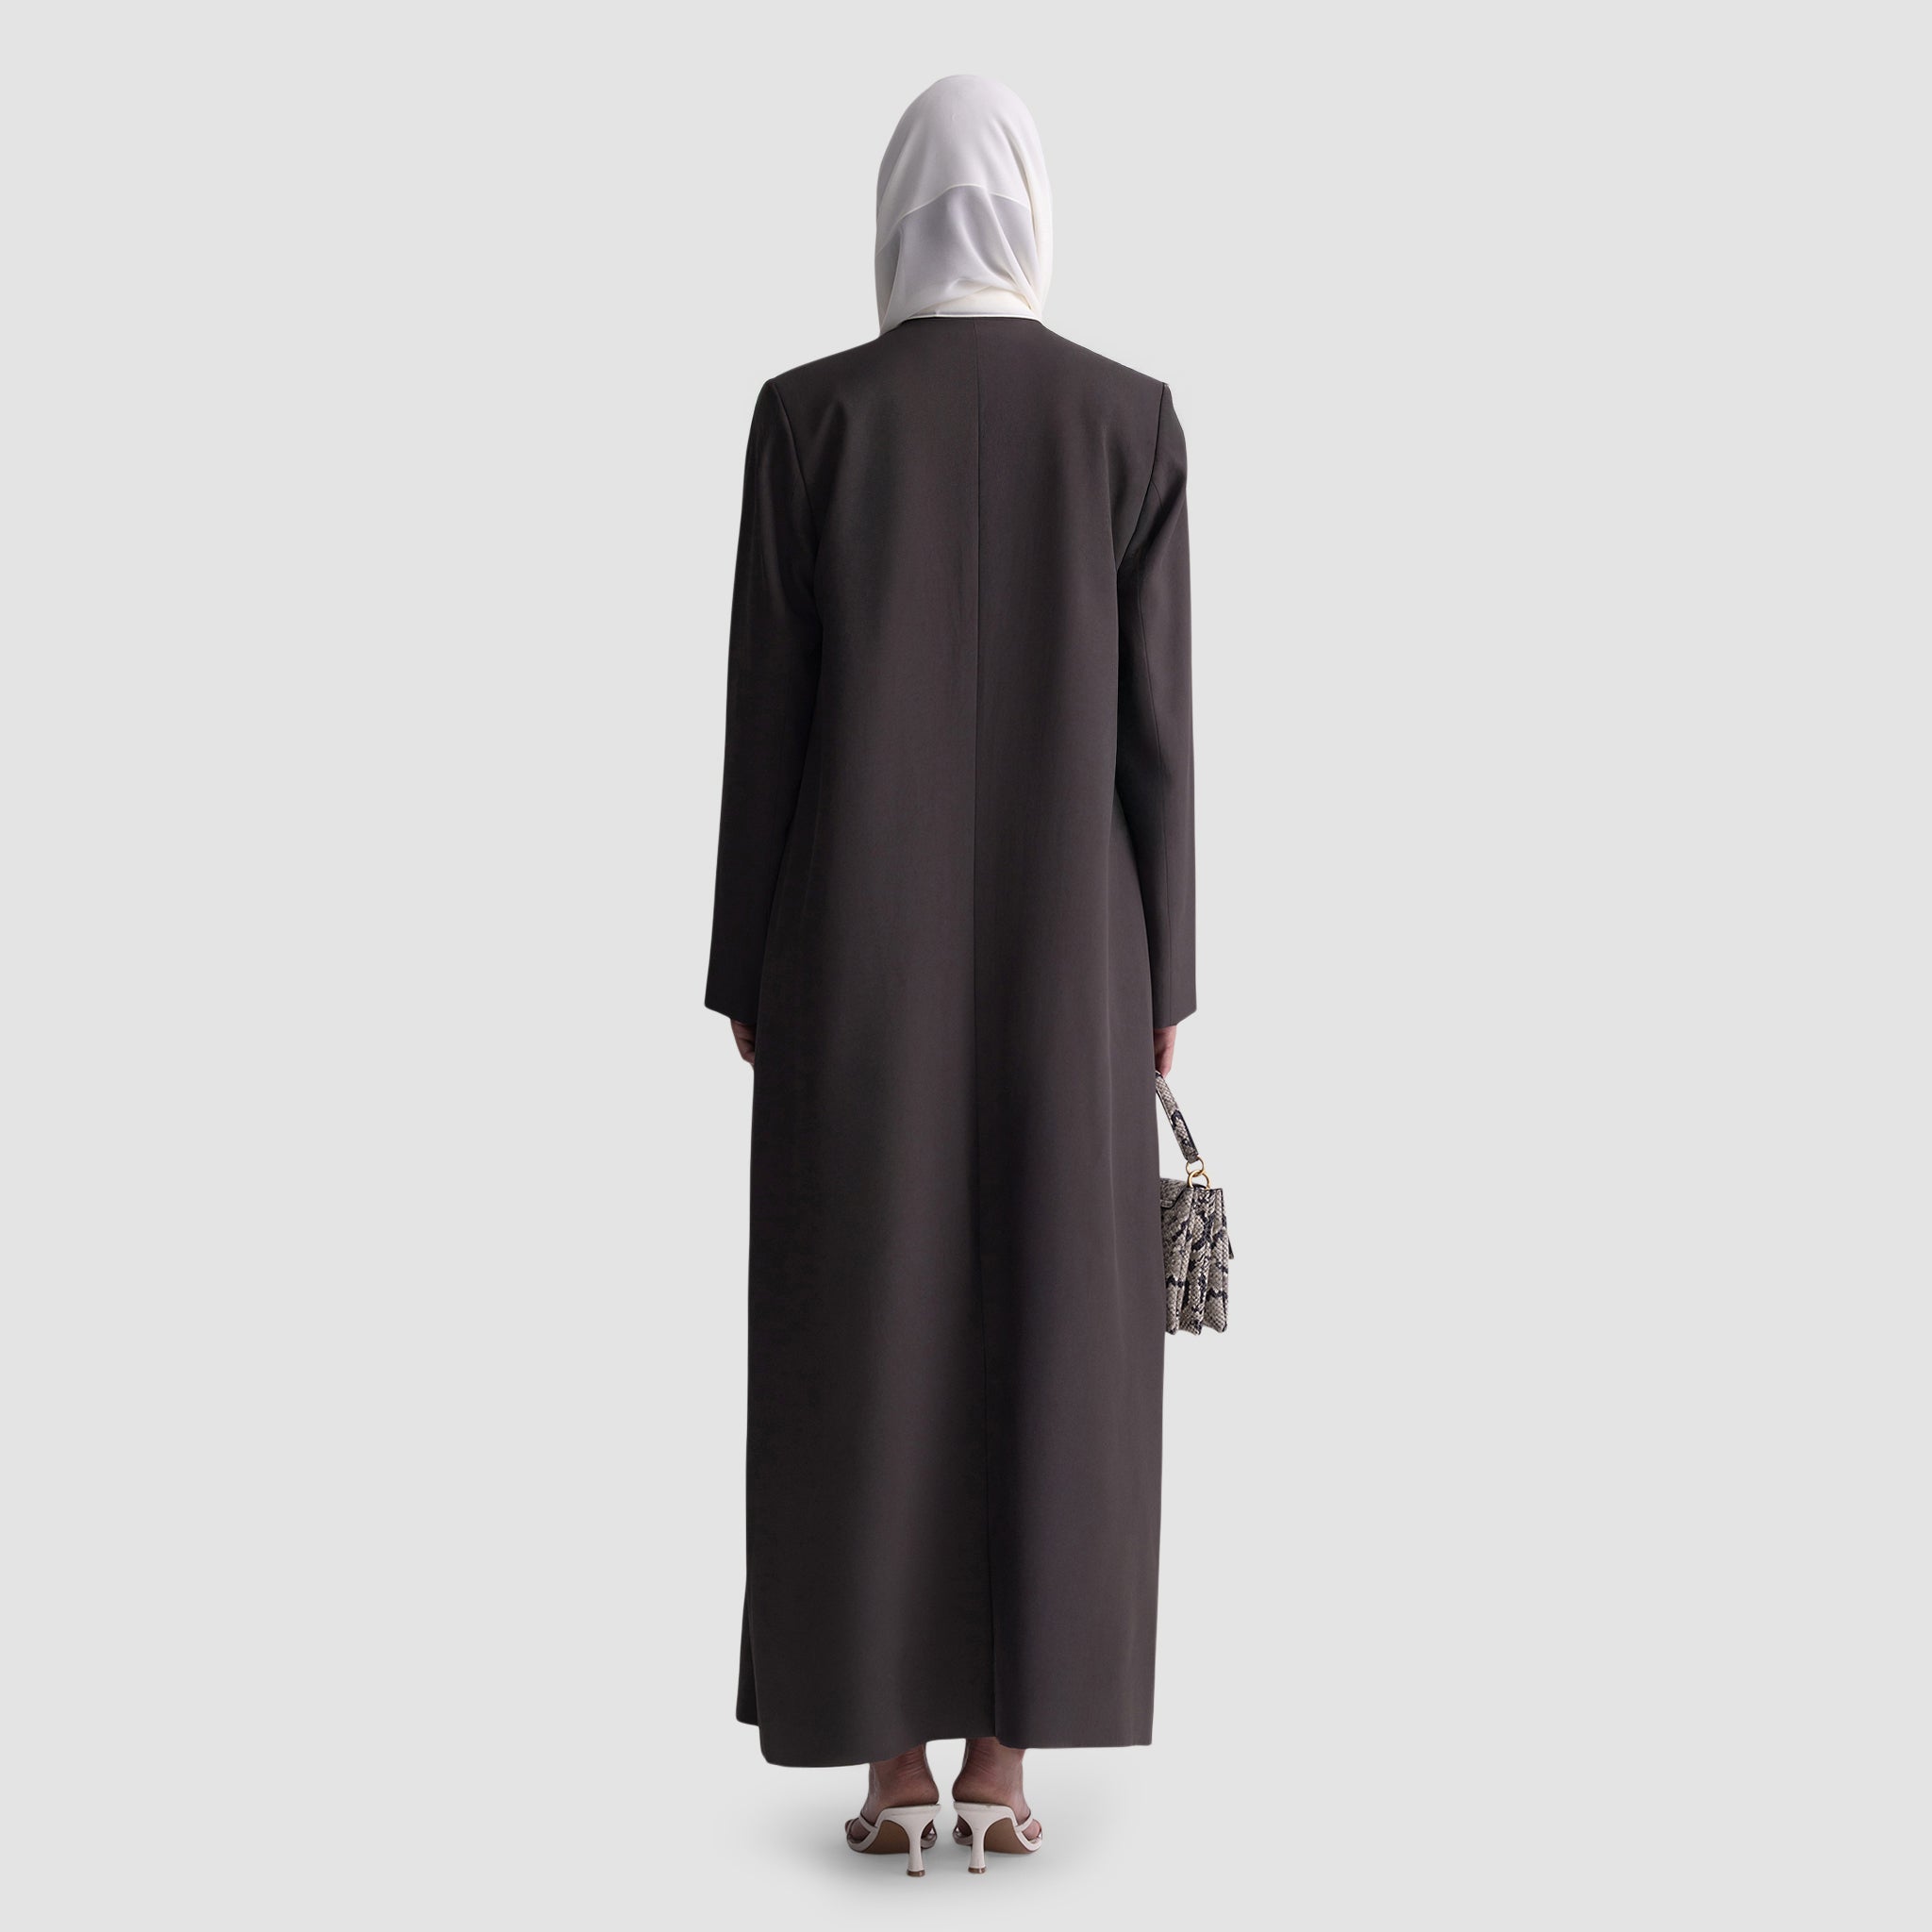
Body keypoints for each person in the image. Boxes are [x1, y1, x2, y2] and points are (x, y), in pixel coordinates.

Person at [704, 74, 1196, 1874]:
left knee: (859, 1319)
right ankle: (1005, 1763)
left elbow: (768, 721)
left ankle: (889, 1763)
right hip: (1079, 951)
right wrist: (1168, 979)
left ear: (896, 213)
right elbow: (1159, 741)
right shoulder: (1129, 422)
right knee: (1059, 1336)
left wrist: (746, 963)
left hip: (853, 945)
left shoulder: (810, 419)